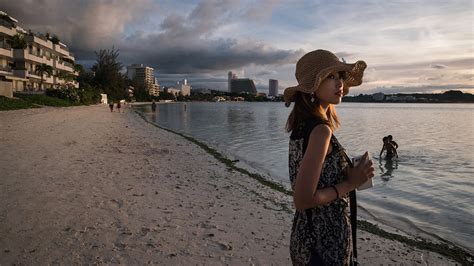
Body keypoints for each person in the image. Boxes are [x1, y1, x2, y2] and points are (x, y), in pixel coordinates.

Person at [285, 49, 374, 265]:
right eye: (330, 77)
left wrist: (344, 173)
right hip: (323, 245)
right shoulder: (321, 131)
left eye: (340, 76)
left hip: (305, 236)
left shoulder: (302, 127)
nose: (339, 83)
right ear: (312, 86)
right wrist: (351, 183)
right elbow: (303, 199)